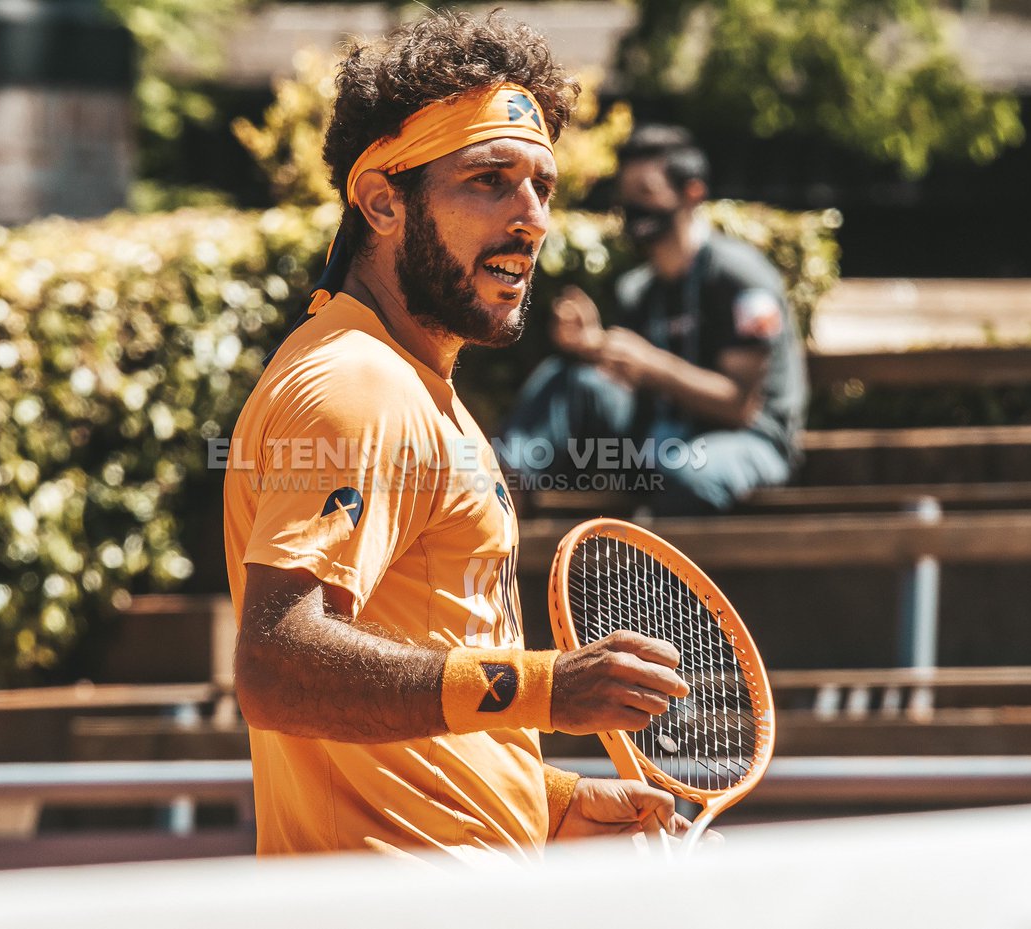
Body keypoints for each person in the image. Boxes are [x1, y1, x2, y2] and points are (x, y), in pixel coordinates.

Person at [223, 12, 693, 861]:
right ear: (381, 201)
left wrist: (551, 799)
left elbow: (431, 685)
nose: (532, 217)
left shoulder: (411, 384)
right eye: (490, 179)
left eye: (542, 186)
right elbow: (278, 664)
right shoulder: (357, 383)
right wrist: (548, 685)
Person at [502, 125, 809, 515]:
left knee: (687, 474)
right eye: (625, 196)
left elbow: (741, 406)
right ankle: (500, 515)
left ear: (691, 193)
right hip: (664, 435)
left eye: (645, 193)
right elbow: (632, 387)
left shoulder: (741, 279)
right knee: (570, 382)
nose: (632, 208)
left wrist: (648, 363)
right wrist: (595, 347)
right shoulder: (640, 290)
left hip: (747, 439)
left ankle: (648, 575)